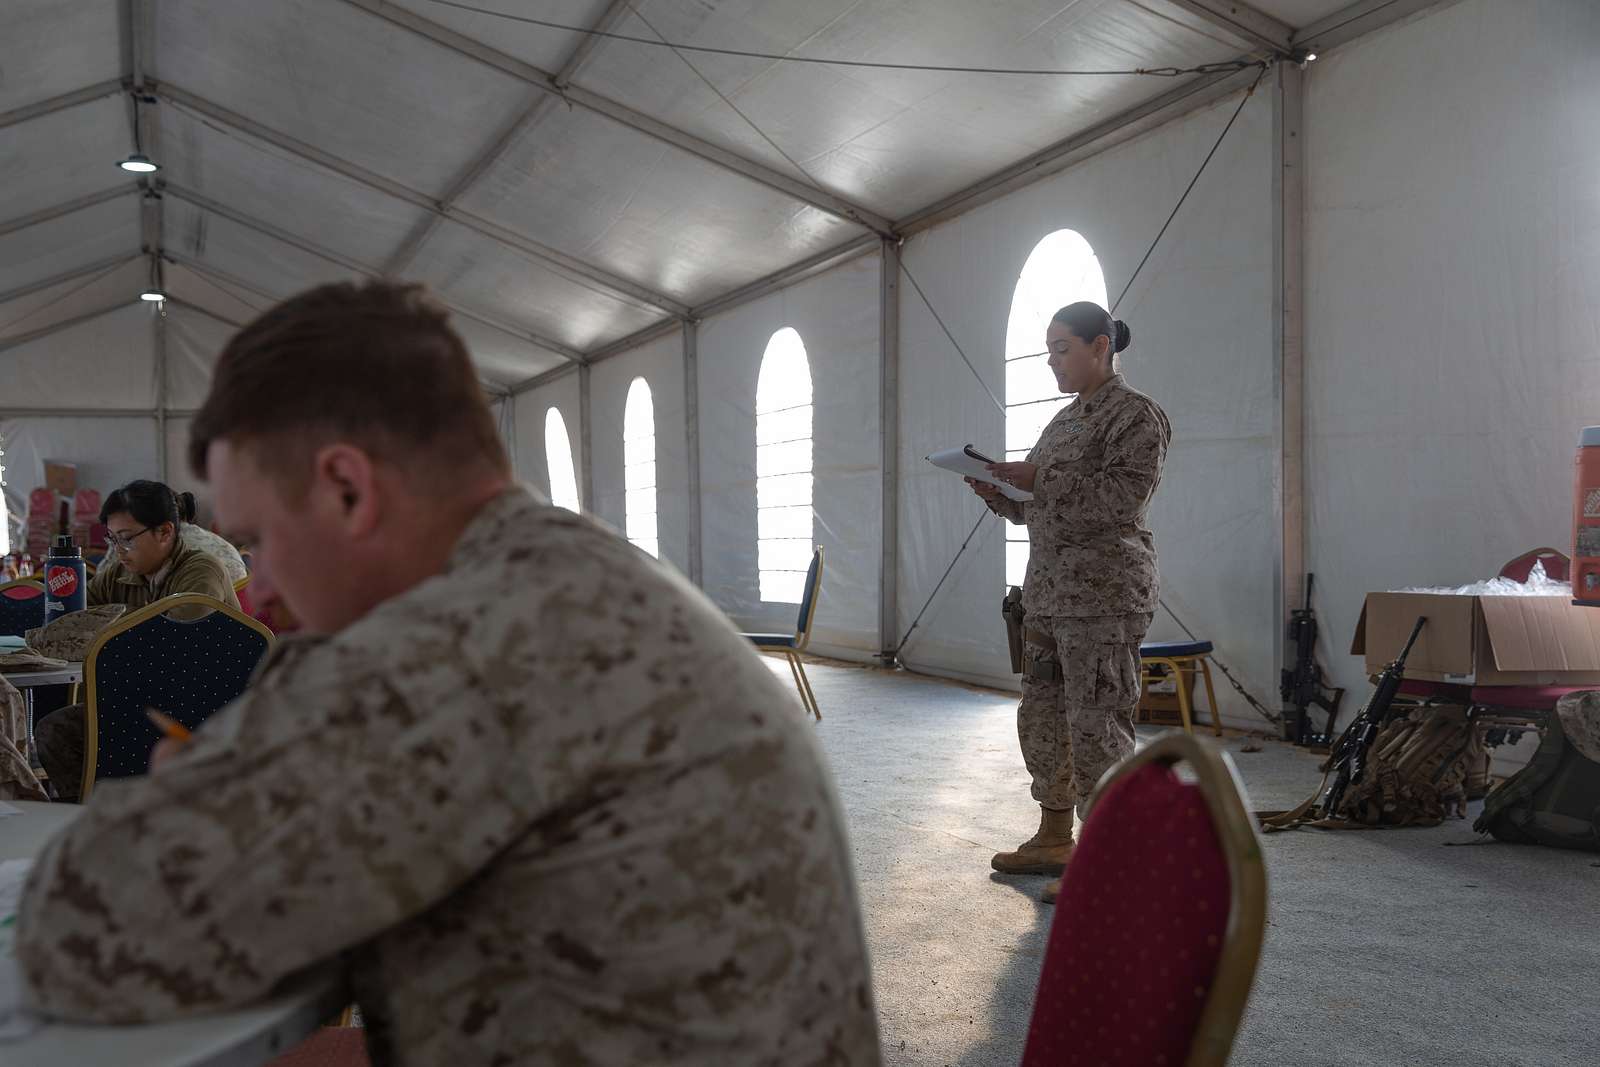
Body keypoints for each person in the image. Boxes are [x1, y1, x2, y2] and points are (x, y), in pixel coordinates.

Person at [17, 281, 881, 1067]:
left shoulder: (447, 646)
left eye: (260, 540)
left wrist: (210, 786)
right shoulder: (582, 574)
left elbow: (87, 925)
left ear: (348, 488)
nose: (261, 584)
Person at [966, 301, 1170, 904]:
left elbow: (1120, 500)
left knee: (1098, 722)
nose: (1052, 362)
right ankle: (1055, 836)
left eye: (1061, 349)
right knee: (1044, 716)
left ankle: (1109, 858)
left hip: (1104, 595)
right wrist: (1001, 494)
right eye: (1048, 350)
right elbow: (1045, 506)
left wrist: (1038, 481)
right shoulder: (1063, 422)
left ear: (1100, 346)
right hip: (1050, 594)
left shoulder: (1136, 417)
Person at [32, 479, 241, 802]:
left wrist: (113, 629)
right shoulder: (119, 572)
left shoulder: (202, 569)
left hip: (205, 706)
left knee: (119, 732)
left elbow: (179, 644)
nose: (118, 550)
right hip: (139, 702)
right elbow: (81, 621)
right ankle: (94, 817)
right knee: (55, 731)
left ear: (165, 532)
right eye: (113, 539)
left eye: (127, 539)